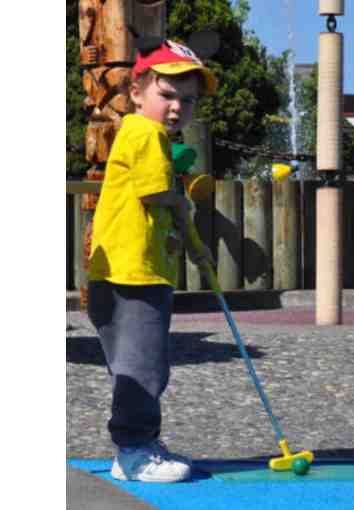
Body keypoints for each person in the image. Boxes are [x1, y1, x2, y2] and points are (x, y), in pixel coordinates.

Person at [86, 39, 217, 483]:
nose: (177, 107)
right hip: (133, 275)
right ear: (136, 91)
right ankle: (135, 452)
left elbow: (165, 203)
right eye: (168, 94)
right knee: (142, 366)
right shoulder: (146, 132)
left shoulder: (146, 135)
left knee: (138, 364)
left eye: (188, 100)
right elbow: (157, 194)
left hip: (130, 272)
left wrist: (190, 242)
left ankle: (136, 446)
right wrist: (182, 207)